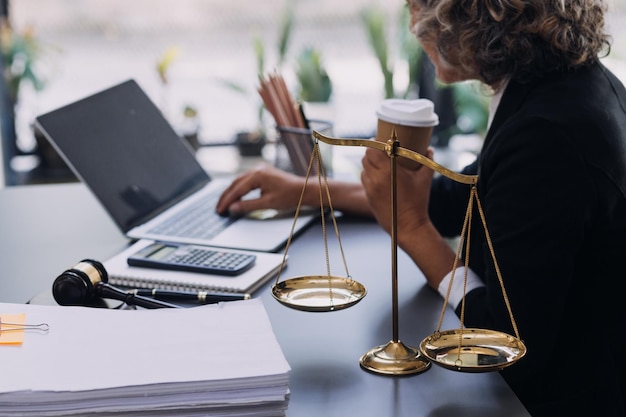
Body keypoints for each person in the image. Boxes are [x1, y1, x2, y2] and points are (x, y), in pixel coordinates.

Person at [217, 1, 626, 415]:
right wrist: (312, 191)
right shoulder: (562, 87)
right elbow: (460, 200)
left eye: (422, 8)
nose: (415, 26)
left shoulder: (549, 133)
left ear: (477, 16)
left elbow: (504, 340)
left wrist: (411, 227)